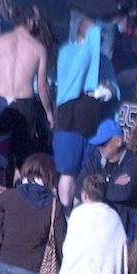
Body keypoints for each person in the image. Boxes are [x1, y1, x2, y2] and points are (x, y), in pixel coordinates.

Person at [54, 19, 118, 209]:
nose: (101, 42)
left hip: (94, 126)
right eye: (98, 37)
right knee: (68, 172)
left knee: (85, 176)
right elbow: (74, 76)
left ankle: (77, 215)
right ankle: (63, 215)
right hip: (70, 123)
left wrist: (106, 88)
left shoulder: (104, 60)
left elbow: (113, 88)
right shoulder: (68, 52)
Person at [0, 5, 55, 187]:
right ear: (30, 21)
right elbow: (42, 86)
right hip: (26, 106)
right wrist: (49, 112)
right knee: (23, 159)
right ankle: (20, 196)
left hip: (0, 104)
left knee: (0, 157)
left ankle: (2, 197)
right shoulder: (38, 48)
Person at [75, 119, 137, 231]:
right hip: (95, 226)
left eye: (103, 144)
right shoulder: (94, 161)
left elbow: (124, 193)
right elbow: (79, 187)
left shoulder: (134, 164)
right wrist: (111, 184)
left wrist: (94, 188)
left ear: (118, 141)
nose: (99, 148)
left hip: (122, 229)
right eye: (98, 144)